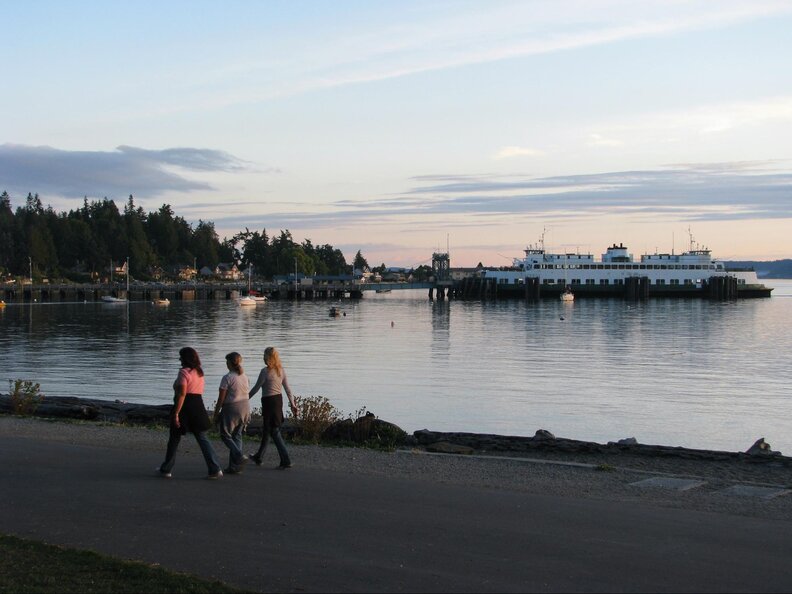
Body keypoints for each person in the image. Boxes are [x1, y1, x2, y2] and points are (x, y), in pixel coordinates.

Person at [158, 347, 223, 479]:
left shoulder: (183, 373)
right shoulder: (199, 372)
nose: (179, 359)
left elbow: (182, 394)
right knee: (202, 437)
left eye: (181, 356)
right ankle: (214, 467)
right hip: (198, 405)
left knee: (174, 438)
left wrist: (176, 413)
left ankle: (166, 469)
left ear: (185, 358)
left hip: (185, 406)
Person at [248, 346, 298, 468]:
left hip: (269, 402)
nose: (263, 358)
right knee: (267, 431)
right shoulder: (281, 370)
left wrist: (244, 399)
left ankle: (286, 460)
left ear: (268, 358)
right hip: (277, 401)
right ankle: (259, 457)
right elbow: (288, 389)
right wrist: (293, 404)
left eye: (264, 356)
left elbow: (256, 388)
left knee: (274, 432)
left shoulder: (265, 372)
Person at [212, 352, 251, 474]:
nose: (226, 364)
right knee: (237, 436)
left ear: (229, 363)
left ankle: (239, 456)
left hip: (232, 408)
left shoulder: (227, 378)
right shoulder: (244, 376)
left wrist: (216, 413)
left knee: (225, 435)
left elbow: (221, 398)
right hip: (245, 407)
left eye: (226, 361)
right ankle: (234, 467)